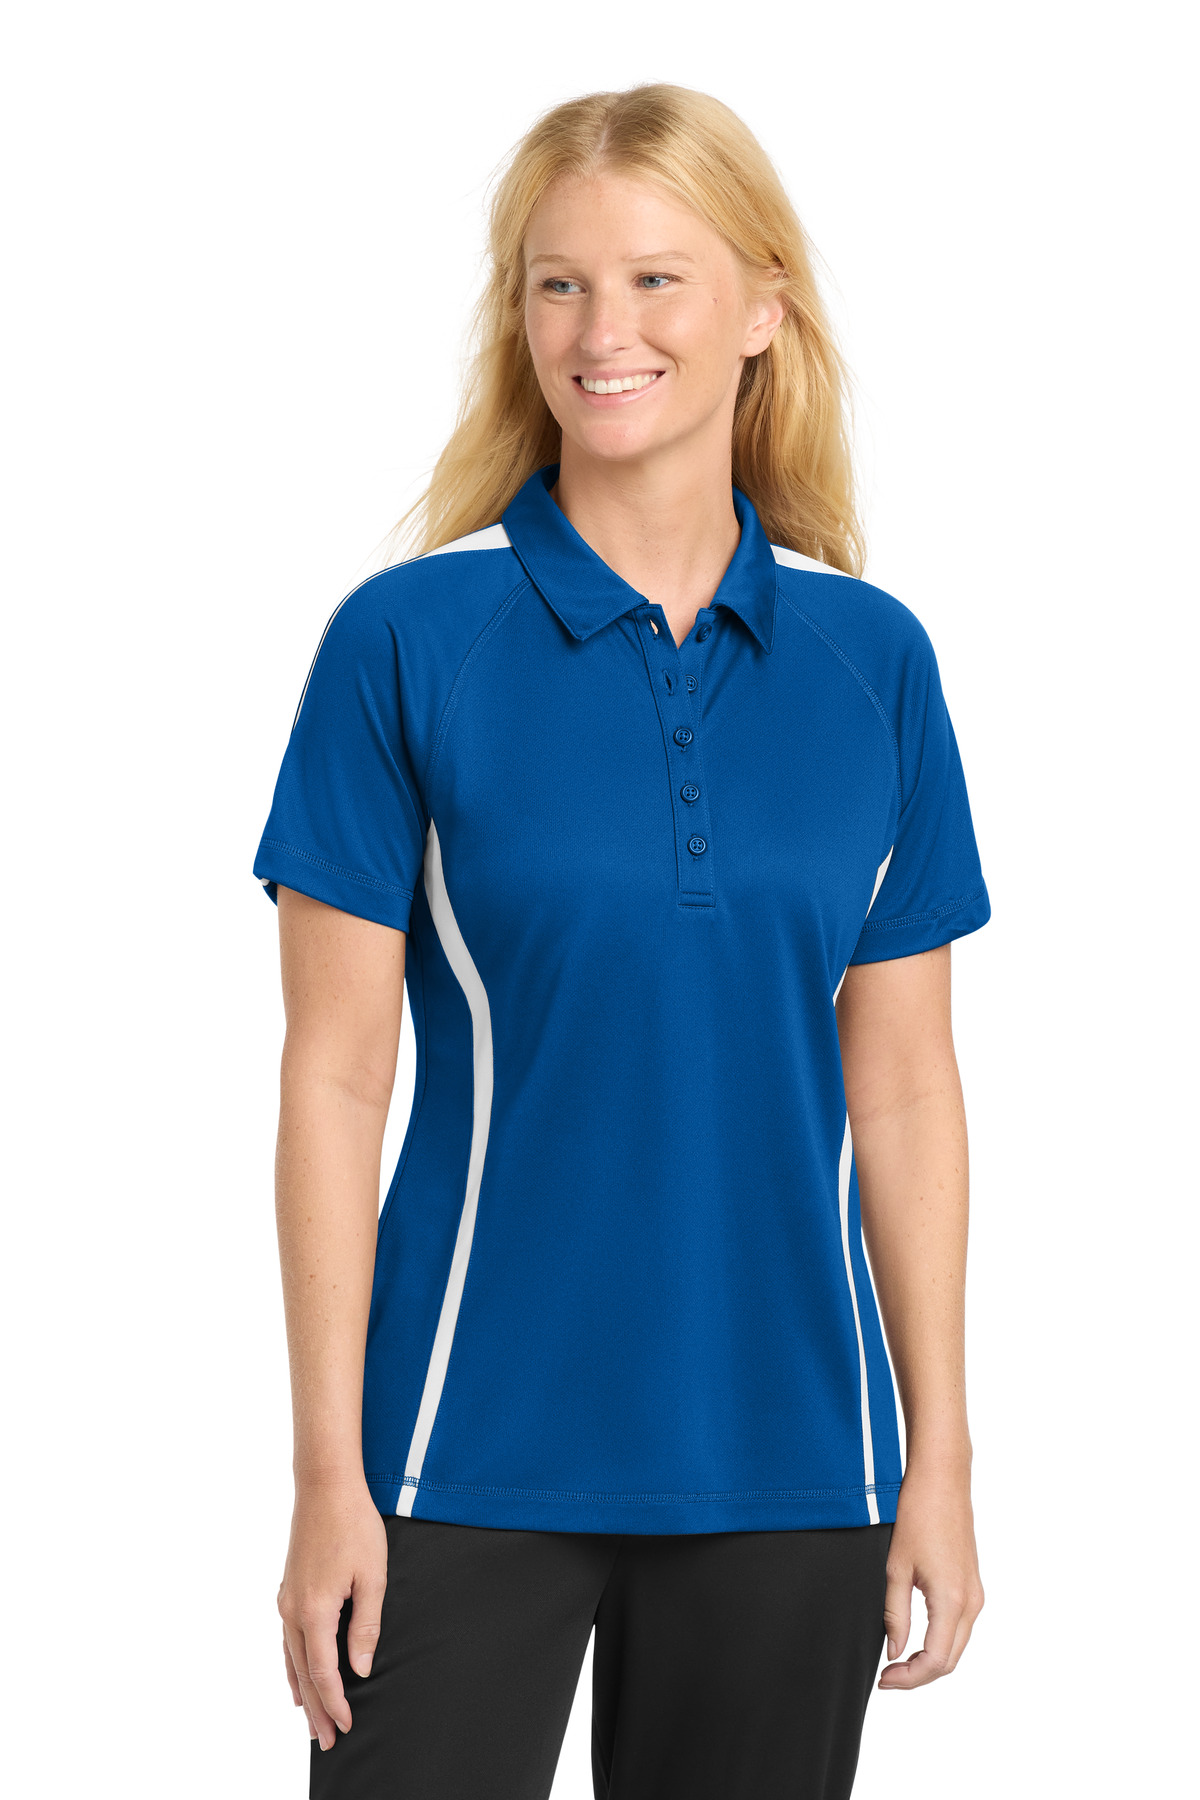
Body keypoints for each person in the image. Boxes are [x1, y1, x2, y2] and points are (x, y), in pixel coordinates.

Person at [253, 82, 990, 1800]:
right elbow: (335, 1080)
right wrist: (325, 1473)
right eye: (560, 284)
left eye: (659, 280)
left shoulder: (875, 665)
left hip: (794, 1455)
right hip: (457, 1448)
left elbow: (904, 1092)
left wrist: (940, 1456)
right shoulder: (406, 643)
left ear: (761, 310)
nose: (605, 332)